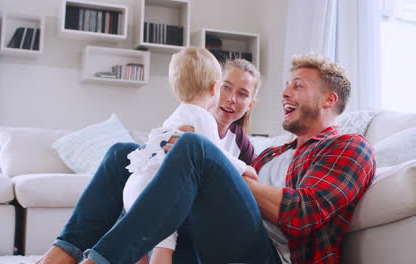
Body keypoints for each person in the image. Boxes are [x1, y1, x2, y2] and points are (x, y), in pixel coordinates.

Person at [31, 52, 374, 264]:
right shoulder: (273, 151)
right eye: (286, 85)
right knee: (124, 154)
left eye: (297, 85)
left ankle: (101, 261)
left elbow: (302, 214)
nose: (284, 92)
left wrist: (212, 164)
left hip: (268, 255)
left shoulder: (349, 146)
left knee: (195, 148)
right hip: (211, 240)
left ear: (329, 100)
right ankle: (59, 256)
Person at [122, 47, 257, 264]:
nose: (231, 99)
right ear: (215, 88)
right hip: (161, 189)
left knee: (140, 243)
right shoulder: (203, 118)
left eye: (242, 94)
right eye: (226, 88)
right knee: (164, 246)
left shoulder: (179, 113)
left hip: (136, 184)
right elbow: (215, 155)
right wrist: (244, 167)